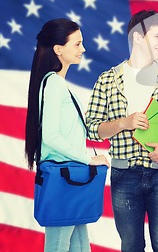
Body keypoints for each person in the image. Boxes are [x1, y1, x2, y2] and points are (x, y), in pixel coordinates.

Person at [86, 10, 158, 252]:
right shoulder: (108, 79)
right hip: (124, 174)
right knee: (131, 246)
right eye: (157, 36)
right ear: (138, 37)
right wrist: (123, 123)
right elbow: (92, 129)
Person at [25, 18, 109, 252]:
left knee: (81, 247)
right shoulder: (54, 84)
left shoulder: (56, 84)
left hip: (70, 178)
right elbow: (51, 136)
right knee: (59, 246)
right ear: (58, 49)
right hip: (65, 178)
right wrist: (88, 159)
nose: (83, 49)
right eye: (77, 44)